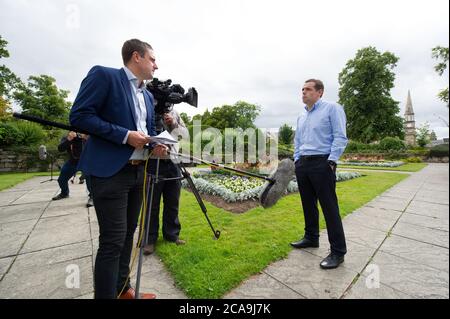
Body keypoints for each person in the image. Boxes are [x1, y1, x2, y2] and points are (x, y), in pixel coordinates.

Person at [70, 39, 167, 299]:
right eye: (153, 59)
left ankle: (123, 290)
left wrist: (158, 144)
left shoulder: (147, 95)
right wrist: (125, 136)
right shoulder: (103, 75)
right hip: (109, 173)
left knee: (127, 236)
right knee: (112, 242)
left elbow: (149, 131)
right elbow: (79, 116)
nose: (156, 65)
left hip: (138, 172)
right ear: (136, 57)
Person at [291, 79, 348, 269]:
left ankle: (338, 252)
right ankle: (311, 237)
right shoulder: (301, 116)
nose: (303, 92)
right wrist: (297, 160)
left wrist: (331, 161)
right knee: (308, 205)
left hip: (322, 163)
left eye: (308, 89)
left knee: (330, 208)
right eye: (302, 89)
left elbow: (340, 136)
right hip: (304, 164)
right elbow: (298, 141)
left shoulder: (332, 108)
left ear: (320, 92)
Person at [143, 110, 189, 255]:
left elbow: (185, 135)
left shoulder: (175, 113)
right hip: (153, 161)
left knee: (172, 201)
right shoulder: (147, 107)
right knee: (152, 203)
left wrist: (173, 123)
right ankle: (149, 239)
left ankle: (172, 235)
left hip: (174, 161)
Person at [52, 131, 83, 200]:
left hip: (86, 162)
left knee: (91, 180)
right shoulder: (67, 137)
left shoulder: (86, 135)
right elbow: (60, 149)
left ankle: (92, 197)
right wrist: (69, 139)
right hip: (72, 162)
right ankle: (64, 193)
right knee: (61, 179)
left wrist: (83, 137)